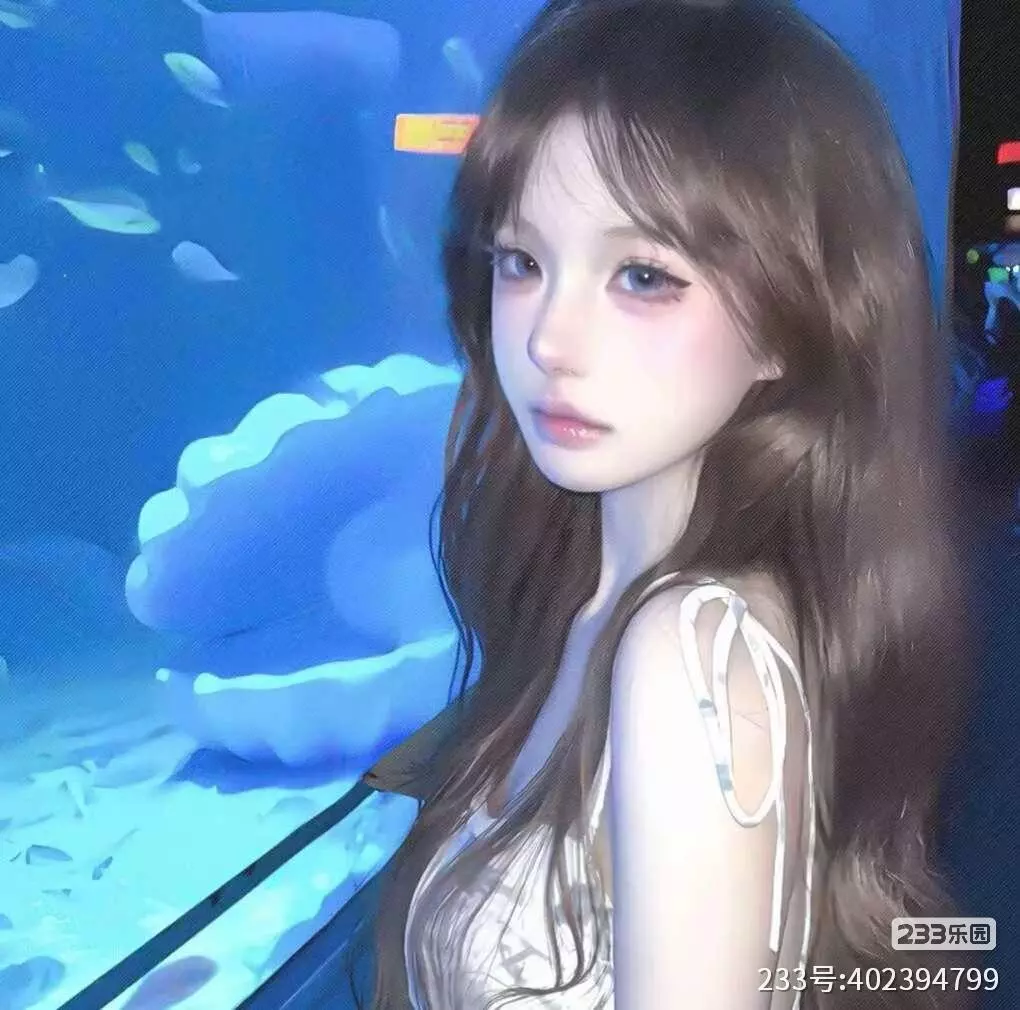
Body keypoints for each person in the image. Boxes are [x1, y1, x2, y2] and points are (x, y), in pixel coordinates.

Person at [350, 1, 973, 1007]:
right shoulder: (591, 596)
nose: (550, 339)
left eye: (643, 276)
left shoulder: (686, 653)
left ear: (791, 321)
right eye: (522, 261)